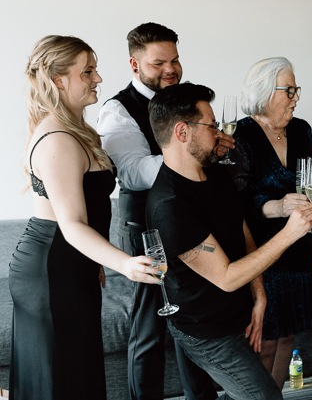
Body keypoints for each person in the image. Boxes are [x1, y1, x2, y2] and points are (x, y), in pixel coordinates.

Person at [9, 35, 159, 400]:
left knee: (77, 372)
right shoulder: (58, 138)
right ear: (59, 79)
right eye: (87, 71)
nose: (98, 78)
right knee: (61, 378)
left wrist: (93, 260)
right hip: (50, 269)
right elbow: (71, 223)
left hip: (72, 262)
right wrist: (125, 264)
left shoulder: (80, 131)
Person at [146, 82, 312, 400]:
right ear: (182, 132)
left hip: (235, 313)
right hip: (206, 333)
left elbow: (240, 229)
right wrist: (289, 234)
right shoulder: (170, 205)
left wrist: (260, 295)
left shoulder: (214, 173)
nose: (220, 133)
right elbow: (225, 277)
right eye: (211, 126)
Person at [97, 23, 223, 400]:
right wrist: (193, 153)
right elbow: (133, 172)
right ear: (134, 65)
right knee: (150, 326)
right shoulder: (117, 110)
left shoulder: (186, 99)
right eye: (159, 63)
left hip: (189, 221)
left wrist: (212, 145)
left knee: (193, 319)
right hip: (145, 230)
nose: (171, 69)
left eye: (175, 60)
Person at [234, 57, 312, 389]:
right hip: (262, 251)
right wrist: (277, 206)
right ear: (266, 91)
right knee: (264, 340)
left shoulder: (301, 129)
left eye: (296, 89)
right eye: (290, 90)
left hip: (299, 249)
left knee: (287, 337)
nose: (296, 97)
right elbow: (235, 203)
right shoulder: (242, 134)